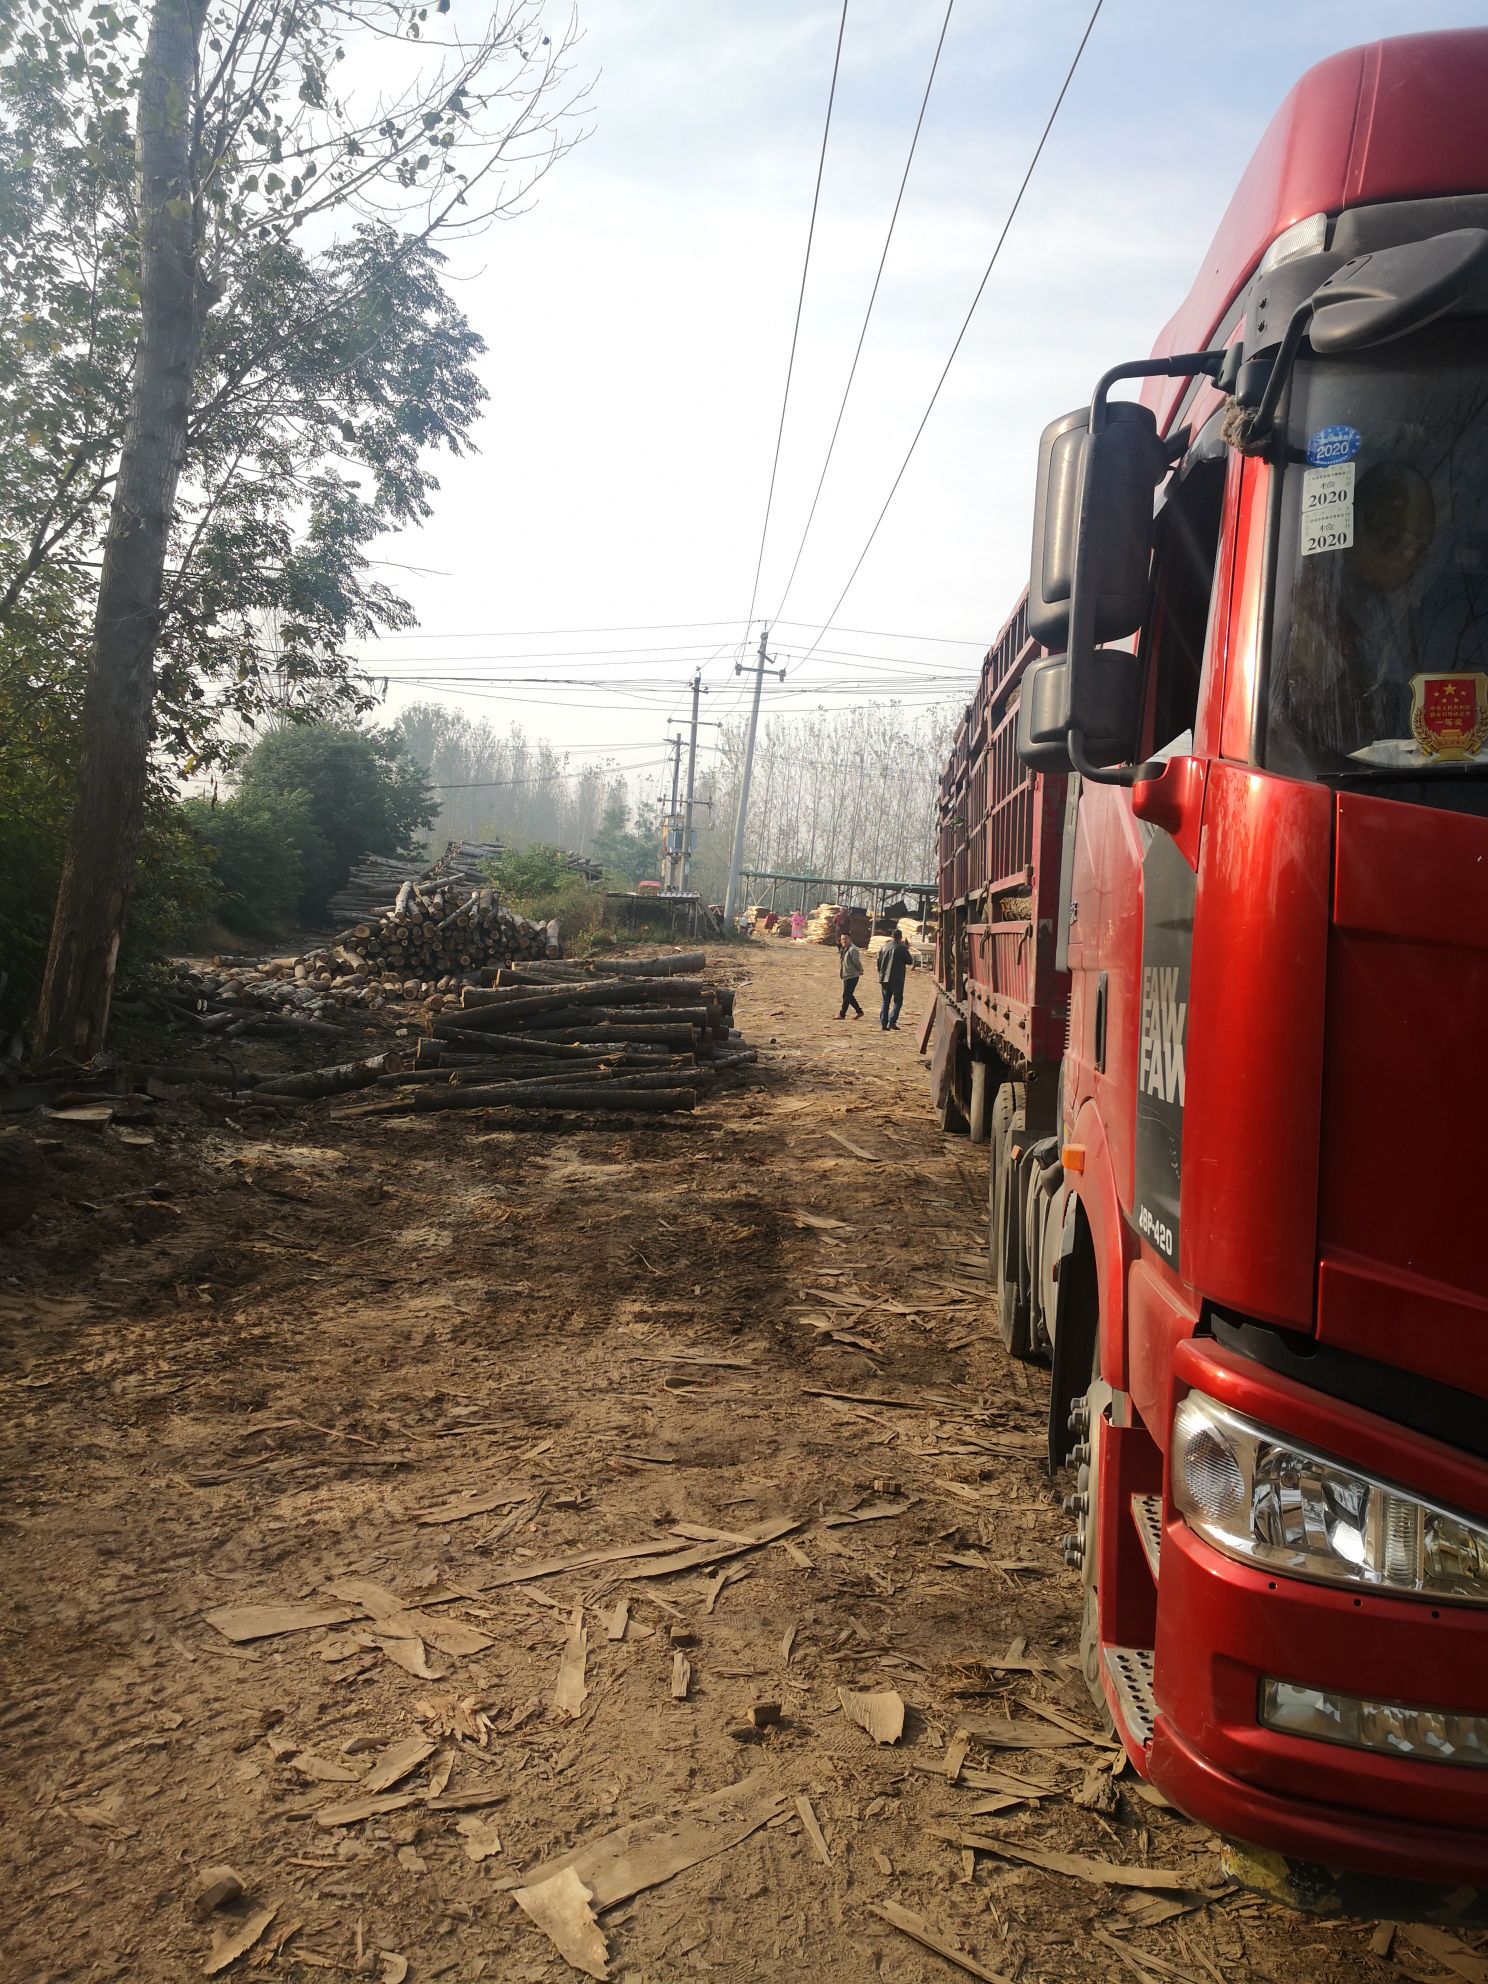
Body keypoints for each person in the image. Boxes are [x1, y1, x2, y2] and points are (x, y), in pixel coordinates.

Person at [876, 929, 914, 1031]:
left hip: (884, 978)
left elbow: (878, 963)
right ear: (900, 937)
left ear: (891, 936)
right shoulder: (901, 948)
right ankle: (892, 1022)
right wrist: (907, 949)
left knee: (885, 1001)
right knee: (898, 1001)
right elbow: (910, 961)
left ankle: (883, 1023)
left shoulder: (884, 947)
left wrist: (881, 973)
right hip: (897, 978)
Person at [836, 930, 864, 1019]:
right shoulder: (844, 948)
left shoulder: (853, 949)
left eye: (846, 939)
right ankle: (859, 1011)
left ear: (850, 939)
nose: (844, 941)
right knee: (849, 995)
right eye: (842, 939)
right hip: (846, 974)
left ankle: (842, 1014)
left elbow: (856, 962)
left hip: (852, 975)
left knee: (846, 995)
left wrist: (860, 970)